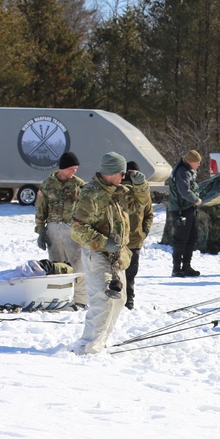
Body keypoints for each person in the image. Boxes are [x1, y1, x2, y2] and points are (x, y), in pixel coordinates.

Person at [71, 152, 131, 355]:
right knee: (102, 299)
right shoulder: (91, 194)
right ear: (112, 172)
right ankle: (88, 347)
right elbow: (77, 229)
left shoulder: (116, 192)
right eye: (122, 173)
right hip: (97, 253)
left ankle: (100, 342)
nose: (123, 177)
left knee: (119, 299)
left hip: (116, 255)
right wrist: (105, 243)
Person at [34, 151, 87, 308]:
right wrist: (41, 230)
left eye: (76, 169)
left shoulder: (79, 185)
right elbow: (41, 208)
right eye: (71, 169)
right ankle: (57, 298)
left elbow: (86, 209)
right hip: (53, 228)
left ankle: (80, 300)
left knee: (77, 264)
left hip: (72, 228)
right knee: (56, 264)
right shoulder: (47, 185)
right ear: (62, 168)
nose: (73, 172)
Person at [121, 161, 153, 310]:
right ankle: (117, 299)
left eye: (133, 173)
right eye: (129, 172)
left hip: (135, 239)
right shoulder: (118, 189)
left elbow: (149, 214)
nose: (131, 175)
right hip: (118, 240)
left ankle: (129, 300)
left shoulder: (142, 191)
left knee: (131, 273)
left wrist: (144, 231)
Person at [168, 150, 203, 277]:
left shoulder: (188, 171)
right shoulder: (182, 172)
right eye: (197, 162)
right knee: (181, 239)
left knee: (192, 237)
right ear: (190, 162)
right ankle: (176, 268)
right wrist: (196, 199)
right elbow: (185, 191)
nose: (199, 164)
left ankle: (186, 266)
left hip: (188, 208)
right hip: (181, 210)